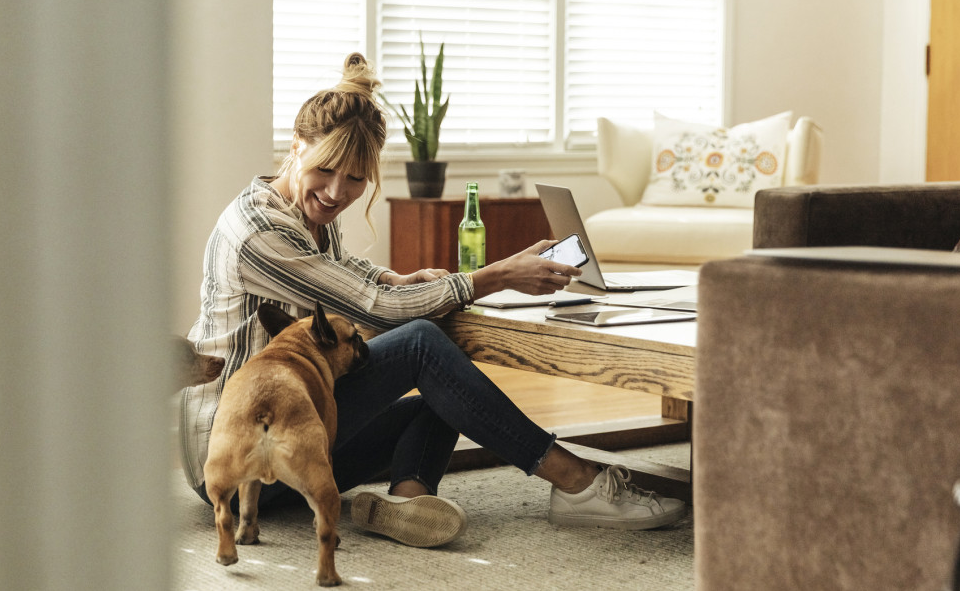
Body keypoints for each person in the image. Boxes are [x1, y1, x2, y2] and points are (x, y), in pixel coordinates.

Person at [179, 52, 685, 547]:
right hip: (233, 457)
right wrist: (500, 274)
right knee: (422, 342)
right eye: (326, 170)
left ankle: (407, 499)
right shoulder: (258, 230)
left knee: (447, 391)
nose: (337, 192)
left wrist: (402, 279)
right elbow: (370, 308)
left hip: (293, 435)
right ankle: (577, 480)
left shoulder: (306, 216)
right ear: (296, 146)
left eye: (356, 179)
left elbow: (355, 276)